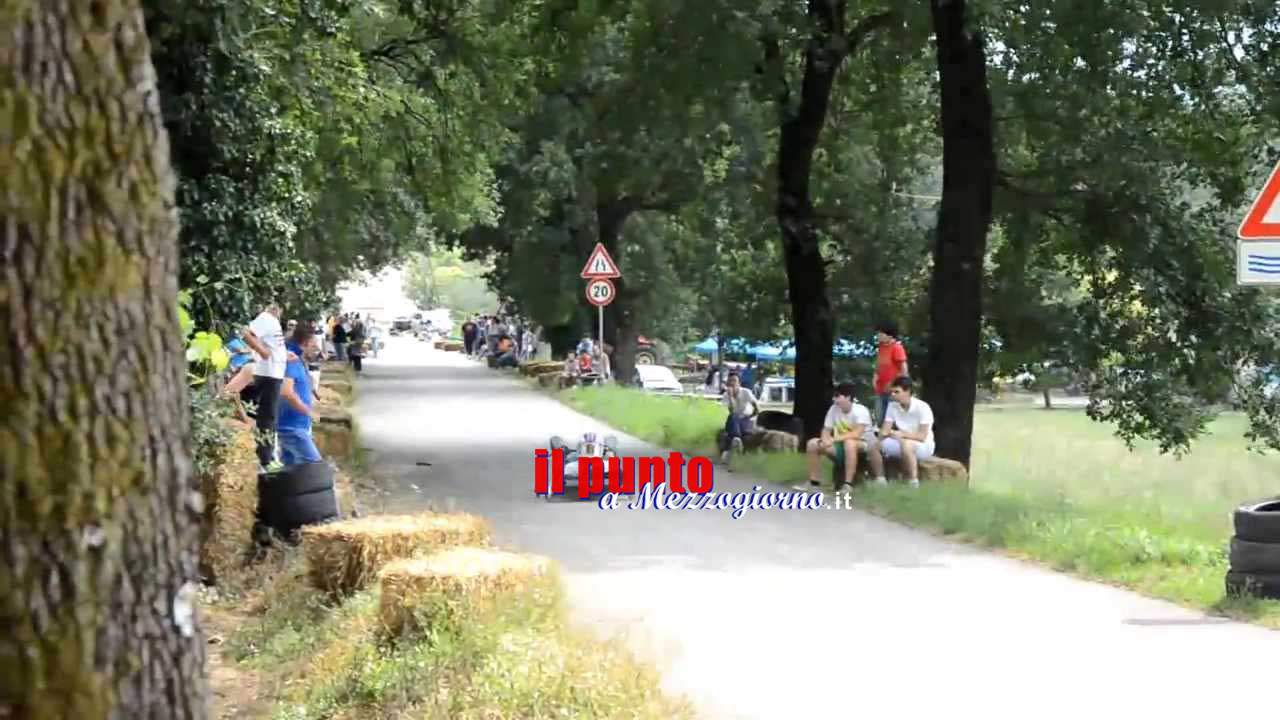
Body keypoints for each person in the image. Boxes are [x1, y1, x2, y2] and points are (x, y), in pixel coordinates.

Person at [802, 382, 874, 491]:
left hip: (862, 443)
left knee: (850, 443)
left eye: (837, 396)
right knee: (812, 444)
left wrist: (833, 439)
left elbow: (857, 434)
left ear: (848, 397)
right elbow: (826, 429)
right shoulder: (833, 409)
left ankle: (847, 484)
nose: (834, 400)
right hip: (839, 443)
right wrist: (825, 440)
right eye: (834, 396)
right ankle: (814, 482)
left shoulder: (860, 410)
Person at [241, 302, 287, 469]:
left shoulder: (272, 322)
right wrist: (262, 351)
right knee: (267, 418)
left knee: (269, 417)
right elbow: (245, 333)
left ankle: (268, 455)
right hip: (268, 373)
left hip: (273, 373)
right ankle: (266, 459)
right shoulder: (266, 318)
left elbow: (272, 346)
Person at [866, 376, 935, 488]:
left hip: (923, 446)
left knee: (906, 445)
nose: (893, 395)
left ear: (907, 391)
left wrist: (902, 434)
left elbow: (922, 436)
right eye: (892, 392)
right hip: (900, 441)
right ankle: (880, 480)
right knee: (873, 444)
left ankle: (913, 482)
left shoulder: (923, 407)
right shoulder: (892, 406)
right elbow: (886, 428)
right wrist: (881, 434)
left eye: (896, 392)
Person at [276, 324, 323, 465]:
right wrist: (308, 412)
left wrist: (314, 393)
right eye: (314, 345)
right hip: (292, 428)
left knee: (290, 474)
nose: (316, 350)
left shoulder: (296, 358)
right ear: (305, 342)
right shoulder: (291, 360)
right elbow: (286, 391)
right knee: (315, 467)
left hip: (293, 426)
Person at [872, 320, 910, 426]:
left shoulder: (896, 348)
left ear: (889, 335)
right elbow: (879, 365)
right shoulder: (881, 348)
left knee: (891, 421)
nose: (878, 335)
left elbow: (904, 370)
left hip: (892, 391)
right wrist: (875, 377)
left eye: (880, 333)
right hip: (880, 390)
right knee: (880, 418)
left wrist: (897, 386)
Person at [719, 372, 759, 465]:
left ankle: (736, 441)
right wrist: (730, 396)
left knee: (740, 427)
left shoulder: (746, 392)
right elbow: (732, 411)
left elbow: (757, 408)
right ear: (727, 384)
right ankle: (737, 439)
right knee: (733, 416)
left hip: (746, 420)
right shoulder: (726, 395)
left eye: (734, 381)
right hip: (733, 420)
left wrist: (749, 416)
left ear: (739, 383)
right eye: (730, 382)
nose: (732, 383)